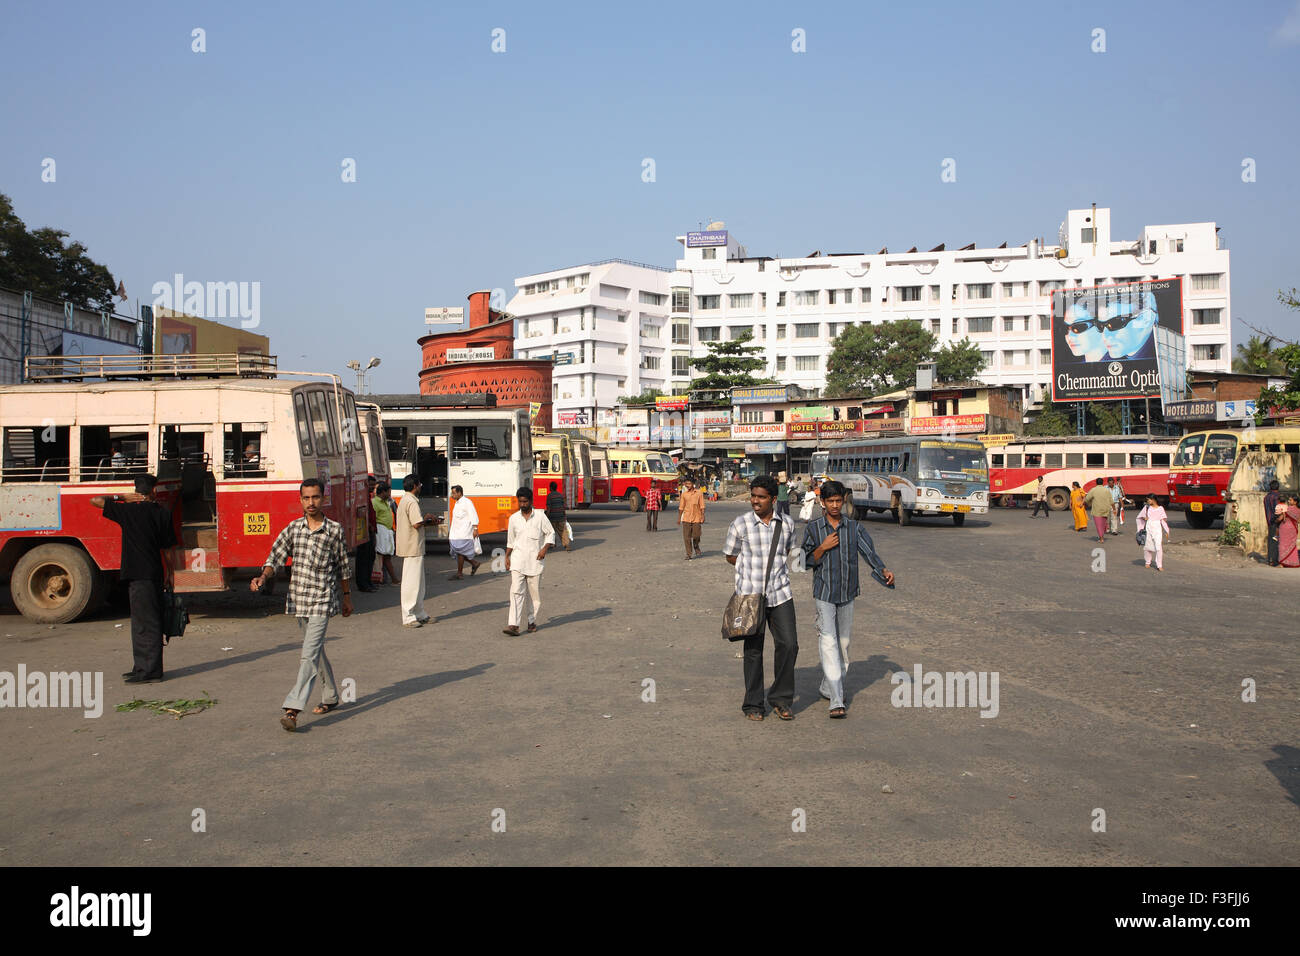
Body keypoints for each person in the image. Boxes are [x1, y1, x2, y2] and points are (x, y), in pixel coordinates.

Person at [250, 478, 353, 732]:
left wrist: (347, 596)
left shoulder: (334, 530)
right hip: (299, 600)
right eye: (306, 498)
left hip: (322, 599)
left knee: (308, 654)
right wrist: (263, 576)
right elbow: (276, 555)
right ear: (300, 499)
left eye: (315, 497)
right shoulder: (293, 529)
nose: (311, 502)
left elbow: (342, 565)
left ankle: (293, 709)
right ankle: (330, 695)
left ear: (323, 498)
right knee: (315, 651)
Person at [801, 480, 895, 719]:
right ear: (822, 502)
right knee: (828, 642)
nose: (834, 505)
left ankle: (827, 686)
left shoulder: (854, 528)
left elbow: (868, 552)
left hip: (847, 593)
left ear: (843, 501)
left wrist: (882, 570)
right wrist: (822, 548)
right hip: (824, 593)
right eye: (830, 501)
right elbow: (802, 561)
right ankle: (836, 699)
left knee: (842, 645)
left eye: (838, 501)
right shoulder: (814, 528)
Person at [723, 475, 799, 721]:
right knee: (754, 651)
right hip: (750, 596)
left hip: (780, 594)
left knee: (789, 645)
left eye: (761, 497)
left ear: (773, 499)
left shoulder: (787, 524)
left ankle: (780, 699)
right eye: (753, 496)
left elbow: (789, 552)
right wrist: (750, 572)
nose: (755, 501)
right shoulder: (740, 524)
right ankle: (753, 704)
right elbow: (731, 556)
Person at [90, 475, 177, 684]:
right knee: (145, 622)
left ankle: (150, 671)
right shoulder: (162, 514)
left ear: (136, 491)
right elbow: (168, 549)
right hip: (153, 573)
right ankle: (141, 667)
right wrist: (171, 573)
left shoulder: (126, 510)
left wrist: (121, 496)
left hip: (136, 575)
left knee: (144, 623)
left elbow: (95, 500)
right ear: (153, 491)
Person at [503, 487, 555, 634]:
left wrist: (544, 549)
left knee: (534, 595)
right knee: (516, 592)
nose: (523, 504)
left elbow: (550, 533)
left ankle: (531, 621)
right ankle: (513, 625)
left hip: (535, 561)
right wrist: (507, 557)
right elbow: (510, 541)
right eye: (520, 502)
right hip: (517, 561)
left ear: (531, 501)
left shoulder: (540, 517)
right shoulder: (513, 519)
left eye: (525, 501)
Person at [395, 474, 442, 628]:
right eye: (420, 484)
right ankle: (408, 616)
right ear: (415, 485)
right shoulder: (411, 502)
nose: (421, 486)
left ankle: (420, 613)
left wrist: (426, 519)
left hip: (413, 547)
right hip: (412, 547)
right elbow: (416, 524)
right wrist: (430, 520)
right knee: (412, 583)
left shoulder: (406, 500)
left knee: (418, 583)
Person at [447, 485, 482, 579]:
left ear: (459, 493)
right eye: (452, 493)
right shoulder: (457, 503)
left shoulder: (467, 502)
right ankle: (474, 563)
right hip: (456, 533)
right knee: (459, 552)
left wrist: (475, 529)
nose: (452, 495)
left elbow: (473, 515)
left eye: (454, 493)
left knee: (460, 552)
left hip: (464, 532)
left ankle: (460, 573)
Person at [372, 480, 400, 586]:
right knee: (382, 557)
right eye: (388, 492)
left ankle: (390, 578)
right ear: (383, 492)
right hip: (380, 532)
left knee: (386, 556)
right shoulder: (375, 502)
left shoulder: (387, 502)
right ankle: (391, 579)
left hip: (387, 531)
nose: (389, 494)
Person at [354, 475, 378, 592]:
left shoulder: (367, 497)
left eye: (374, 485)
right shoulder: (361, 497)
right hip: (364, 531)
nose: (372, 487)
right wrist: (369, 525)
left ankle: (368, 581)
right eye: (371, 485)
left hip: (370, 530)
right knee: (364, 558)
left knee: (370, 557)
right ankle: (363, 584)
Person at [1135, 494, 1171, 571]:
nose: (1147, 501)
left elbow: (1163, 521)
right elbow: (1139, 517)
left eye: (1148, 500)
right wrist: (1145, 518)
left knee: (1158, 547)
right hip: (1149, 527)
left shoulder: (1161, 509)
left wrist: (1167, 530)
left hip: (1157, 528)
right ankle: (1148, 562)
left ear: (1153, 499)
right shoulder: (1147, 508)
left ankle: (1159, 565)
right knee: (1148, 546)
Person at [677, 476, 706, 559]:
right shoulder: (684, 494)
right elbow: (681, 507)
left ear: (693, 484)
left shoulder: (699, 493)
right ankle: (688, 554)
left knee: (697, 535)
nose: (687, 485)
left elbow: (702, 505)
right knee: (686, 537)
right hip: (686, 518)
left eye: (689, 483)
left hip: (697, 517)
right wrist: (679, 518)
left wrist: (703, 516)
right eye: (686, 484)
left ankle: (696, 546)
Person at [1083, 477, 1112, 542]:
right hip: (1105, 509)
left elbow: (1087, 499)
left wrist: (1087, 503)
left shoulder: (1093, 490)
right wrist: (1114, 508)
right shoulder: (1106, 490)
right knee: (1103, 523)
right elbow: (1111, 500)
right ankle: (1103, 532)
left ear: (1096, 483)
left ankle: (1101, 538)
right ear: (1102, 483)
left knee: (1098, 524)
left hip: (1097, 510)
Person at [545, 481, 571, 551]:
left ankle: (552, 544)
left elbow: (549, 508)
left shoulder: (549, 496)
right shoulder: (560, 495)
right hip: (561, 516)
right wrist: (564, 516)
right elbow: (563, 507)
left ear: (550, 488)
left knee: (551, 531)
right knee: (563, 531)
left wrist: (546, 517)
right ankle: (567, 545)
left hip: (552, 517)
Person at [1278, 494, 1300, 569]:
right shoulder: (1298, 510)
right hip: (1293, 529)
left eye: (1290, 500)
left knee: (1282, 545)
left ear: (1295, 502)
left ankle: (1282, 563)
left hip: (1284, 529)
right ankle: (1294, 562)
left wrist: (1275, 521)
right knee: (1292, 546)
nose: (1288, 501)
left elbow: (1280, 518)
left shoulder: (1287, 509)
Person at [1263, 480, 1282, 567]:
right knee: (1276, 540)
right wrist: (1278, 519)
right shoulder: (1277, 497)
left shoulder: (1267, 497)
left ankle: (1270, 559)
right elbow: (1277, 510)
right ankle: (1274, 560)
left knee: (1271, 540)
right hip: (1276, 522)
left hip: (1270, 521)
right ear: (1278, 487)